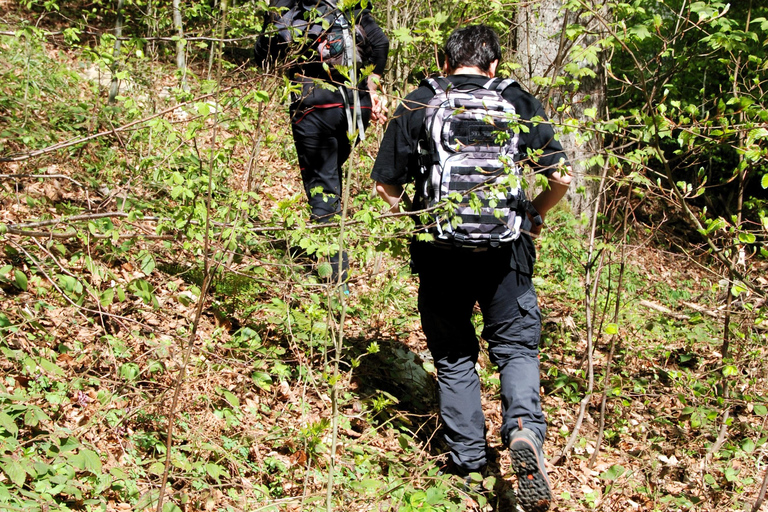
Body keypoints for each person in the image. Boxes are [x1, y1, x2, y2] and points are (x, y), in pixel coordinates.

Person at [370, 25, 571, 512]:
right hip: (508, 254)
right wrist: (533, 217)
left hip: (440, 254)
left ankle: (468, 464)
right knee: (517, 348)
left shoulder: (420, 101)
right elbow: (560, 178)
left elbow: (386, 186)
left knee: (456, 356)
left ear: (444, 62)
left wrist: (415, 223)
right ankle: (522, 431)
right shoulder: (518, 99)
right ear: (494, 66)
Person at [255, 0, 389, 284]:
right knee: (330, 176)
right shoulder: (349, 9)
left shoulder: (291, 9)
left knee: (322, 186)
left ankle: (335, 280)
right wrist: (373, 86)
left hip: (315, 104)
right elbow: (381, 42)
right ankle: (320, 246)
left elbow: (265, 54)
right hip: (356, 105)